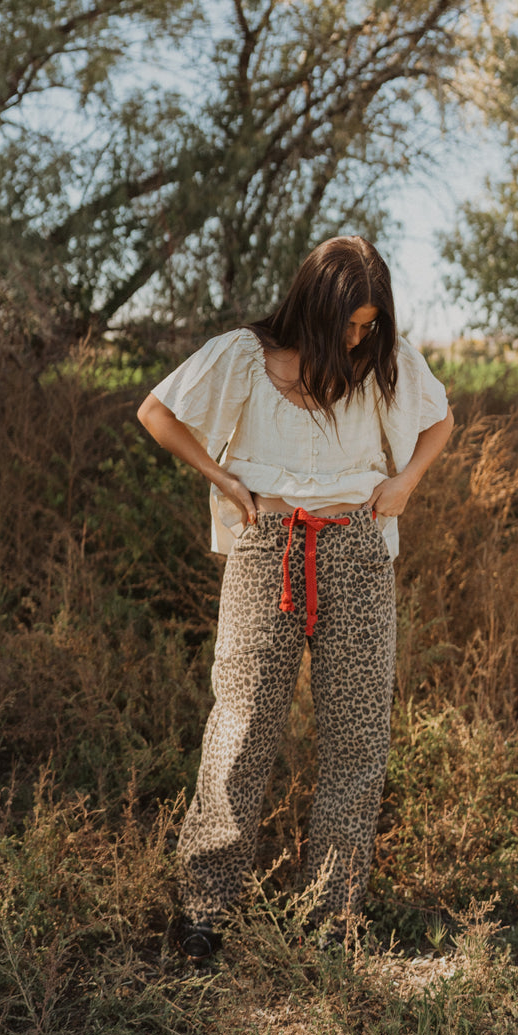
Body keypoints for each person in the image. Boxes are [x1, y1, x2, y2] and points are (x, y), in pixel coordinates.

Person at [137, 235, 453, 960]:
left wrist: (404, 483)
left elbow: (441, 420)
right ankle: (204, 912)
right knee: (242, 728)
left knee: (357, 738)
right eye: (348, 322)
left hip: (357, 548)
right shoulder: (244, 356)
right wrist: (221, 480)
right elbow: (158, 412)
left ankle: (329, 917)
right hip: (267, 545)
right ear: (313, 303)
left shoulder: (386, 361)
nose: (358, 336)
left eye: (369, 323)